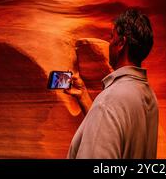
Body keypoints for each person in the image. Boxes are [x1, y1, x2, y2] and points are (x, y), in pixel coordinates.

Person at [65, 8, 159, 159]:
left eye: (112, 37)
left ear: (121, 43)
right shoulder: (149, 96)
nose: (109, 43)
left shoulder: (110, 100)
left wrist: (102, 104)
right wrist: (83, 96)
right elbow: (113, 129)